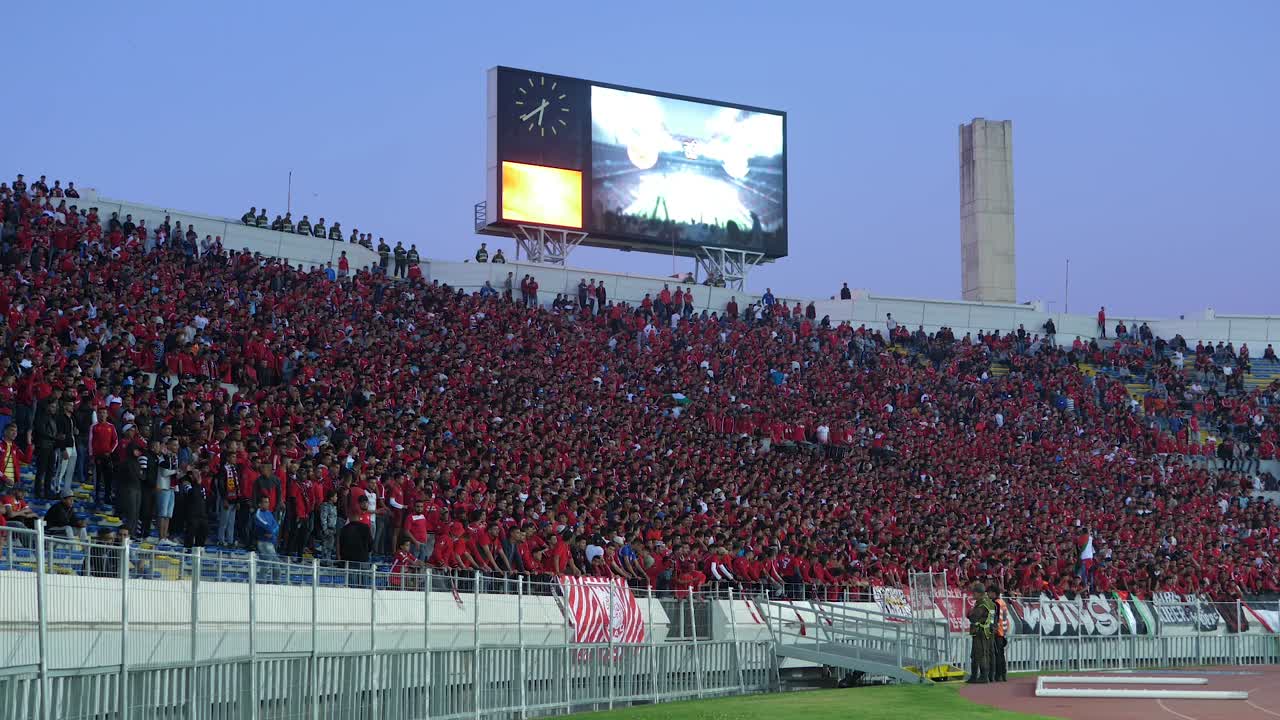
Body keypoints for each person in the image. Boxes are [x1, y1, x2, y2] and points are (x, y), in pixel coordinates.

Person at [966, 583, 993, 683]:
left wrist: (969, 613)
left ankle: (982, 676)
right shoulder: (986, 602)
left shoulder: (982, 604)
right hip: (983, 632)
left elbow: (974, 617)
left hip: (980, 632)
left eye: (974, 592)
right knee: (978, 654)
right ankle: (978, 676)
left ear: (979, 593)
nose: (973, 594)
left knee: (979, 654)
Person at [252, 495, 282, 583]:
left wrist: (272, 532)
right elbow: (267, 526)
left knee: (276, 567)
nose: (267, 504)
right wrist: (272, 531)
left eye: (268, 502)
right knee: (266, 565)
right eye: (265, 502)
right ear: (259, 504)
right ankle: (261, 584)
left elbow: (276, 526)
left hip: (271, 543)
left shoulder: (269, 513)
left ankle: (276, 586)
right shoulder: (258, 514)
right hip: (263, 543)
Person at [991, 585, 1008, 682]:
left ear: (994, 593)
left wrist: (994, 629)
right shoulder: (1002, 602)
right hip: (1003, 631)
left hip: (998, 632)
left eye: (989, 593)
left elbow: (995, 618)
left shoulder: (996, 603)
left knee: (997, 655)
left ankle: (998, 675)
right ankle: (1003, 673)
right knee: (1001, 655)